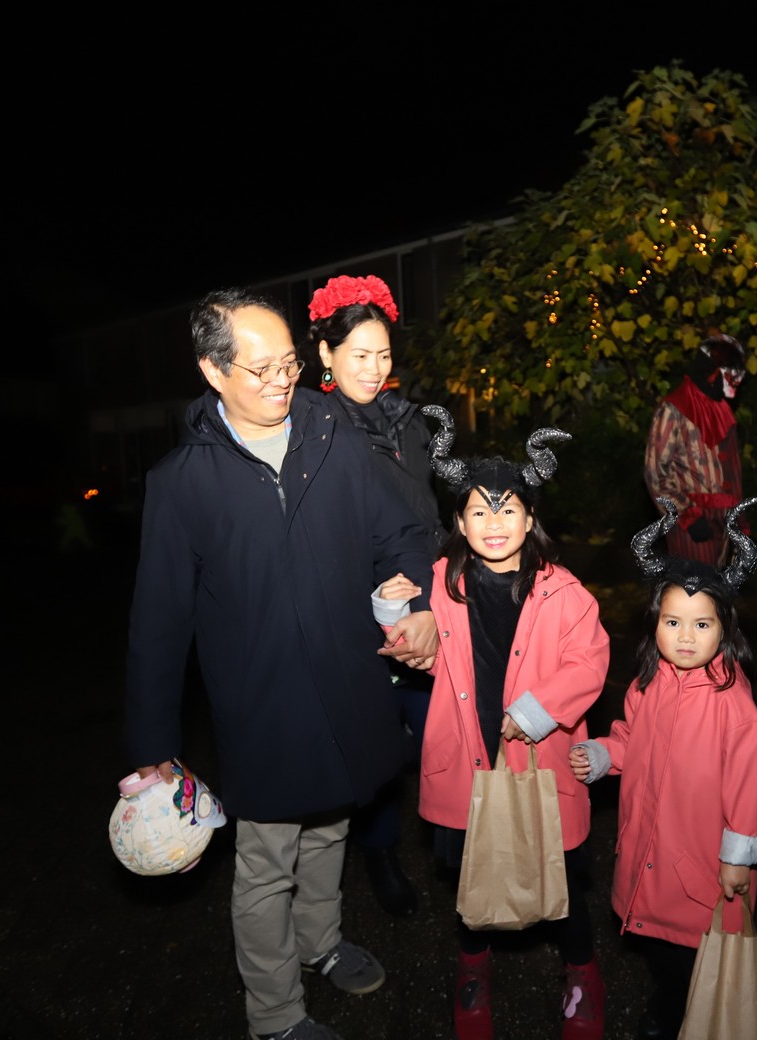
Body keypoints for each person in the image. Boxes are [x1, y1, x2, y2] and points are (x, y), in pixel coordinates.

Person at [122, 288, 441, 1040]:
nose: (280, 382)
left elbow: (399, 532)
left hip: (348, 680)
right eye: (259, 369)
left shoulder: (336, 436)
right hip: (261, 704)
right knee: (267, 861)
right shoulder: (182, 482)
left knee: (330, 827)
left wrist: (416, 600)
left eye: (289, 365)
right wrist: (151, 749)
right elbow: (158, 625)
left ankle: (320, 943)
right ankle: (274, 1014)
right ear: (213, 370)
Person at [377, 405, 610, 1040]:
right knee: (473, 879)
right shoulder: (439, 583)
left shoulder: (564, 592)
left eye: (508, 510)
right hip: (466, 760)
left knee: (561, 881)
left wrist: (535, 711)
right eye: (479, 511)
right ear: (458, 521)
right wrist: (393, 613)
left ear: (531, 518)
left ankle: (583, 974)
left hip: (542, 760)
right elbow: (416, 650)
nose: (495, 523)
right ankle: (473, 968)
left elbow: (590, 660)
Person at [570, 497, 757, 1040]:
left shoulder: (734, 707)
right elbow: (631, 739)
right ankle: (668, 1007)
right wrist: (603, 755)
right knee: (659, 948)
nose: (685, 636)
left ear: (724, 628)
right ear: (655, 623)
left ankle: (691, 1017)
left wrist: (737, 857)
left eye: (701, 623)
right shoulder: (648, 684)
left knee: (696, 956)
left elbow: (751, 788)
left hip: (699, 865)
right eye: (673, 622)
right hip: (650, 851)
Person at [308, 273, 446, 918]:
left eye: (383, 354)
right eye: (359, 354)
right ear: (325, 354)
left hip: (427, 595)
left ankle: (449, 834)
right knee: (377, 739)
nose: (374, 368)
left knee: (439, 726)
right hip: (362, 610)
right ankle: (381, 850)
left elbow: (426, 510)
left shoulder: (407, 420)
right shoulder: (314, 428)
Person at [644, 333, 748, 566]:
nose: (736, 382)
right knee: (694, 587)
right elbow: (656, 473)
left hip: (724, 523)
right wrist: (687, 516)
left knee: (719, 588)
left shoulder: (723, 411)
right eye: (731, 374)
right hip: (691, 527)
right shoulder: (673, 409)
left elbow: (733, 474)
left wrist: (740, 522)